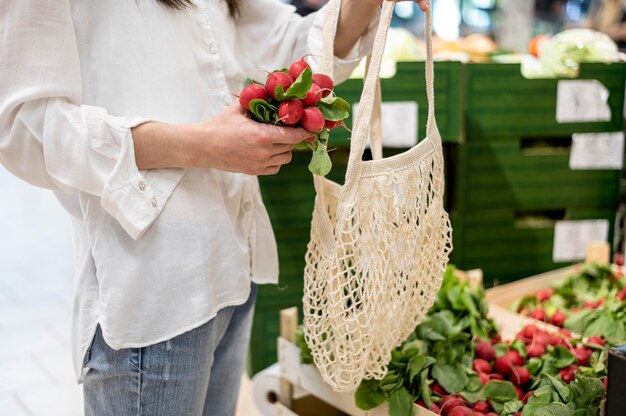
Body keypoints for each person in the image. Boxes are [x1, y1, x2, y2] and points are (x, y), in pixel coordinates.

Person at [0, 0, 428, 415]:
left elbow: (295, 44)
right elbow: (25, 127)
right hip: (154, 287)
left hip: (233, 268)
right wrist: (204, 145)